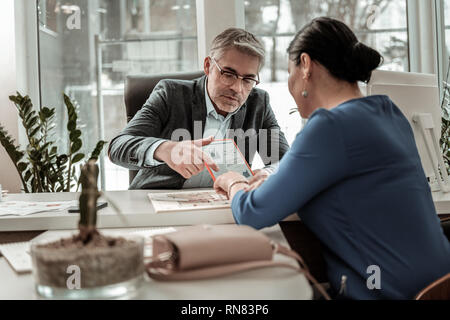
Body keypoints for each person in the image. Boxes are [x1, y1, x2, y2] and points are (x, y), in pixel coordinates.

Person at [213, 17, 450, 300]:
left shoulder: (329, 126)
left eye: (290, 72)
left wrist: (233, 182)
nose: (289, 84)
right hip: (439, 285)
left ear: (305, 65)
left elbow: (251, 213)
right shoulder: (389, 111)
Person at [108, 28, 289, 189]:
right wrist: (166, 149)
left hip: (223, 206)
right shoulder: (171, 94)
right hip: (162, 202)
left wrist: (269, 173)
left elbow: (286, 161)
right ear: (208, 66)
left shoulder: (258, 103)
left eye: (248, 79)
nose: (237, 88)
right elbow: (118, 147)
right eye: (228, 74)